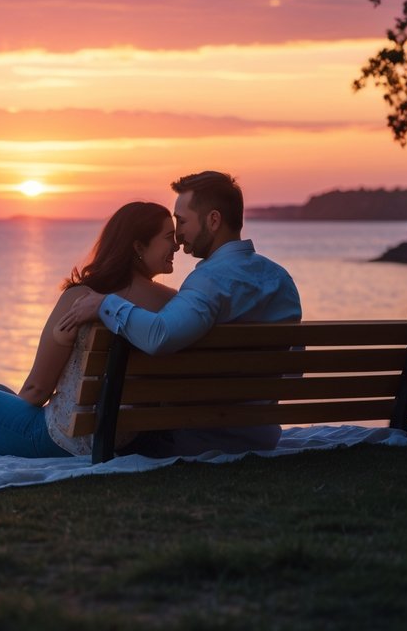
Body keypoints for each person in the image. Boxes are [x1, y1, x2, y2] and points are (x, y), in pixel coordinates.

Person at [57, 170, 301, 457]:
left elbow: (160, 335)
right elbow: (293, 368)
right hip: (261, 436)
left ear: (213, 220)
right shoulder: (281, 280)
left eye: (182, 221)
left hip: (198, 439)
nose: (179, 235)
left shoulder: (210, 281)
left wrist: (105, 304)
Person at [0, 202, 180, 457]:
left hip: (67, 440)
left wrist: (11, 427)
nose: (177, 245)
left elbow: (37, 390)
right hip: (128, 438)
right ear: (138, 246)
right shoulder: (173, 303)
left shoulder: (81, 298)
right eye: (169, 237)